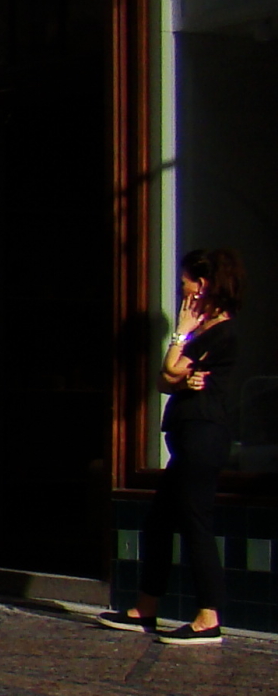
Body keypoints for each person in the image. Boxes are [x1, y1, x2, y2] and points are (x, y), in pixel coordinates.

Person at [99, 248, 242, 645]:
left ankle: (208, 617)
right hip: (186, 436)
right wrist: (179, 376)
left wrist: (179, 334)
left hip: (204, 435)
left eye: (186, 284)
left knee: (195, 521)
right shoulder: (205, 329)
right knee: (159, 520)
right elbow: (165, 382)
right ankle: (146, 607)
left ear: (204, 284)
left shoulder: (221, 331)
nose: (182, 291)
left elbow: (170, 368)